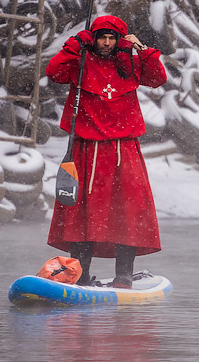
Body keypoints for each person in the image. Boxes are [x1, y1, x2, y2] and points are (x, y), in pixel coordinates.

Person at [45, 15, 167, 288]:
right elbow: (53, 72)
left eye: (113, 38)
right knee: (80, 213)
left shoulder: (132, 64)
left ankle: (124, 275)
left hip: (124, 148)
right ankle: (80, 275)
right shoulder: (80, 62)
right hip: (85, 149)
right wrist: (76, 42)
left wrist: (141, 48)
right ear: (94, 37)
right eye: (102, 38)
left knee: (127, 211)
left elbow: (158, 78)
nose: (107, 43)